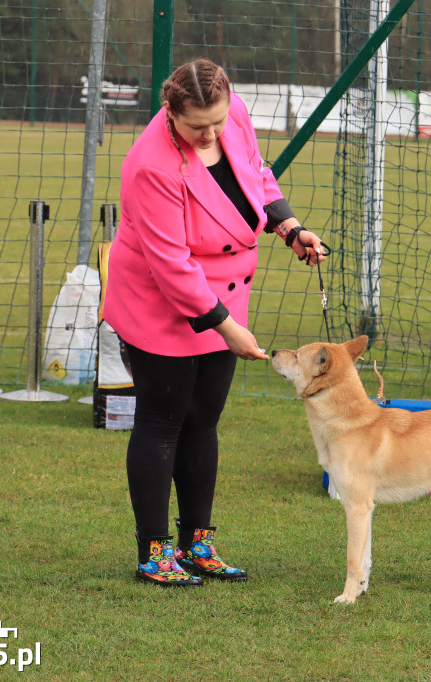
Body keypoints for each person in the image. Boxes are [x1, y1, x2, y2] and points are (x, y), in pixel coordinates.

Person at [102, 59, 326, 587]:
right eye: (197, 127)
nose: (210, 134)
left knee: (204, 419)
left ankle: (197, 542)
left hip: (223, 294)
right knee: (163, 420)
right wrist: (226, 328)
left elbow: (256, 174)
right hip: (160, 300)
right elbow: (172, 265)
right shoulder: (150, 165)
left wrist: (290, 228)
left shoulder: (233, 115)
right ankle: (154, 551)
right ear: (170, 112)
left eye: (217, 123)